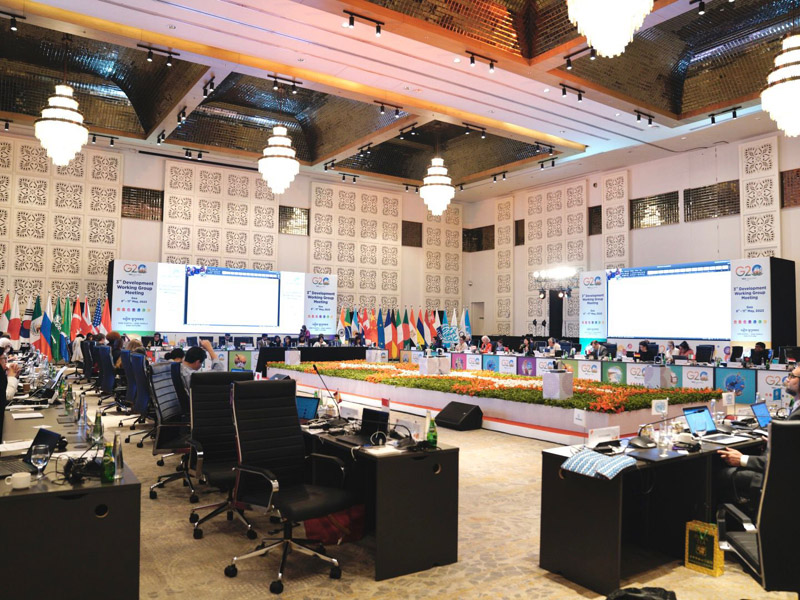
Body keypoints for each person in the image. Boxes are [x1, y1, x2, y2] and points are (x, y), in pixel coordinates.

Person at [717, 363, 800, 510]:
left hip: (779, 479)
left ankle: (721, 519)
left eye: (792, 376)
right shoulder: (796, 408)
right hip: (787, 476)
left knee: (723, 473)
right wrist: (776, 442)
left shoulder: (797, 416)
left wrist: (742, 459)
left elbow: (782, 461)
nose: (787, 379)